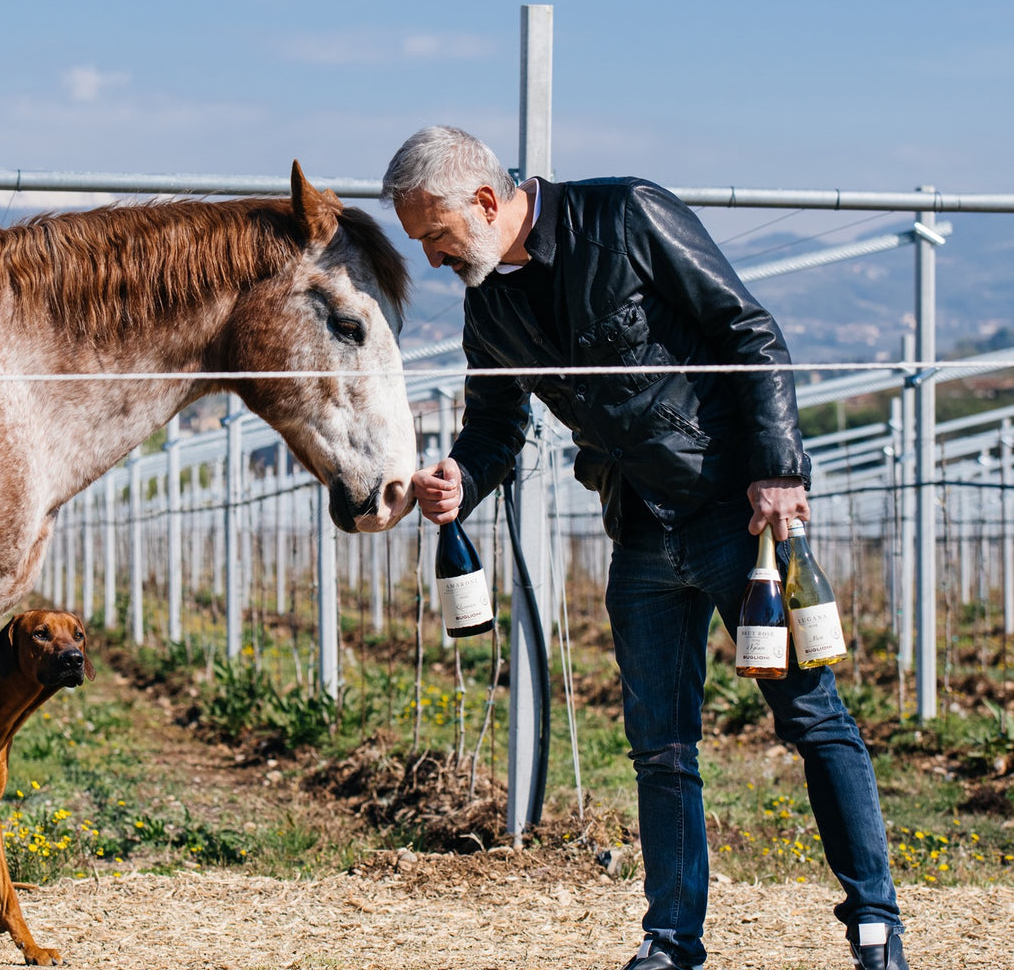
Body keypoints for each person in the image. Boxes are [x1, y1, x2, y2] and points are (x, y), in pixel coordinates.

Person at [381, 125, 908, 970]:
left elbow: (749, 332)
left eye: (435, 235)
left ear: (484, 201)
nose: (435, 258)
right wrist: (457, 478)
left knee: (811, 716)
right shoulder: (491, 303)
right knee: (660, 747)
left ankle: (875, 922)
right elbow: (493, 429)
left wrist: (776, 467)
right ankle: (671, 942)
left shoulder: (625, 214)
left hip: (735, 519)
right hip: (637, 533)